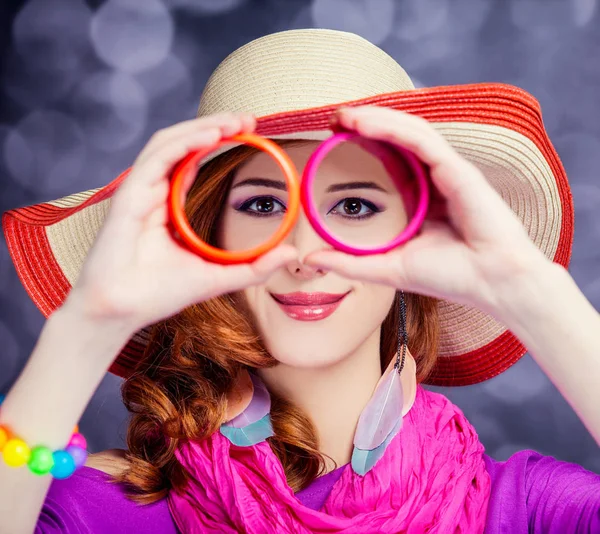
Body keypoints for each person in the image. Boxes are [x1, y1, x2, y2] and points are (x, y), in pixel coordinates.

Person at [1, 28, 599, 533]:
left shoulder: (527, 509)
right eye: (264, 206)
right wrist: (90, 321)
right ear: (206, 232)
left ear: (417, 232)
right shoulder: (103, 510)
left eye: (356, 207)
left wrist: (528, 290)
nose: (306, 252)